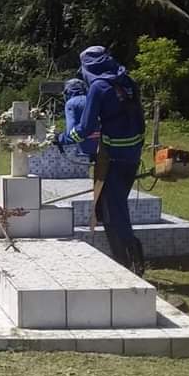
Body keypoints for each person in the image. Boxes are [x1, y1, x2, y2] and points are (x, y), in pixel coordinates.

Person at [57, 46, 146, 274]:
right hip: (133, 154)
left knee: (111, 209)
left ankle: (130, 257)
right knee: (112, 206)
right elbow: (139, 117)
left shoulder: (98, 87)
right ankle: (124, 259)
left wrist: (63, 139)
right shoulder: (127, 81)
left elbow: (86, 128)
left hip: (113, 157)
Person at [62, 78, 99, 158]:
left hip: (82, 151)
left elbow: (70, 134)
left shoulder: (71, 104)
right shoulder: (93, 100)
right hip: (100, 146)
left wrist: (59, 138)